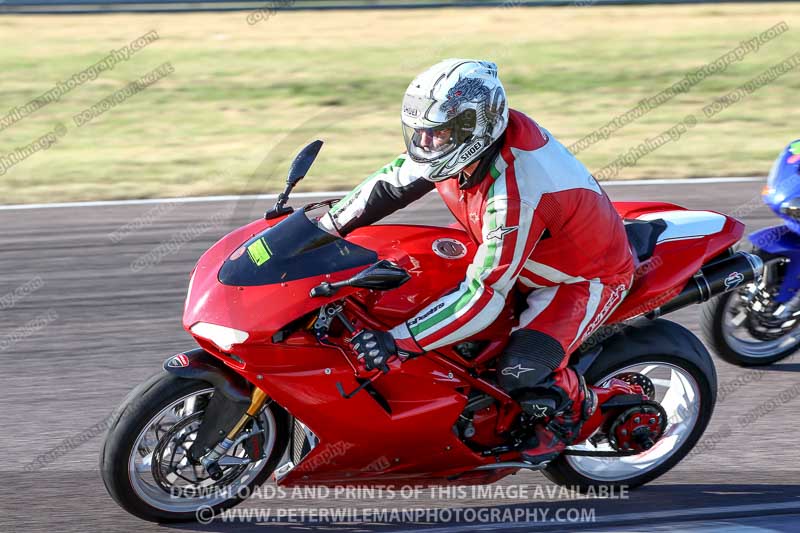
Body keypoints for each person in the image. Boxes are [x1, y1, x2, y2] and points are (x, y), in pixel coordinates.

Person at [318, 59, 635, 464]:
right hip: (507, 246)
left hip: (576, 278)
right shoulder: (465, 144)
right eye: (420, 132)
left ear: (475, 127)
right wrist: (323, 229)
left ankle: (577, 409)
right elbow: (390, 183)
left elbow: (484, 294)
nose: (425, 143)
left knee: (519, 373)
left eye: (437, 133)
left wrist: (397, 342)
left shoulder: (516, 190)